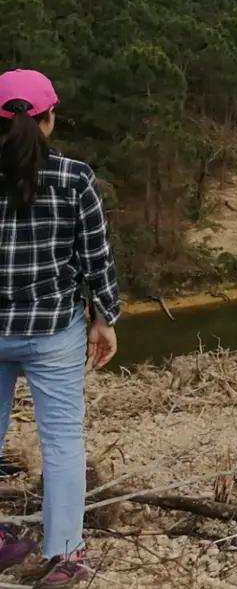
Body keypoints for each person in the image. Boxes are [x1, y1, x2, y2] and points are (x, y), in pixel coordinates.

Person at [0, 70, 120, 587]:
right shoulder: (75, 176)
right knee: (64, 442)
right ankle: (64, 554)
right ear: (51, 117)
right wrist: (104, 317)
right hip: (53, 330)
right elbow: (96, 258)